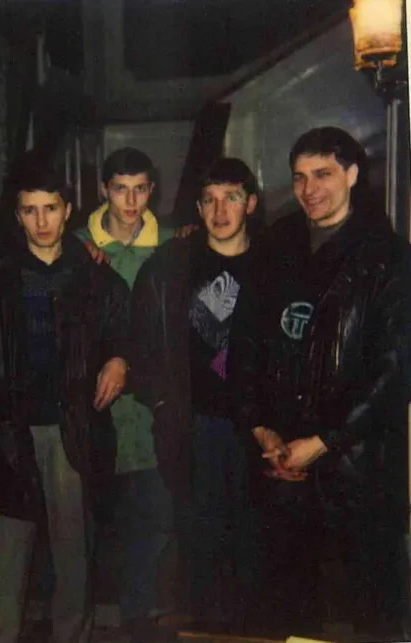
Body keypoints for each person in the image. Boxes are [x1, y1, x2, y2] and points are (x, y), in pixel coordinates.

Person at [234, 127, 411, 637]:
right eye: (299, 177)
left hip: (358, 467)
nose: (309, 189)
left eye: (323, 174)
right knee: (285, 611)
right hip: (281, 464)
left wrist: (324, 440)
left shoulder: (389, 257)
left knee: (372, 613)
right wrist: (260, 428)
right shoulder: (275, 246)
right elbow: (246, 343)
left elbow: (394, 371)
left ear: (352, 175)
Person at [0, 159, 131, 643]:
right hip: (8, 431)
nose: (41, 221)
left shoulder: (97, 279)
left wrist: (120, 359)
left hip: (72, 430)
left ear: (68, 210)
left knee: (74, 554)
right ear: (17, 216)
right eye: (30, 211)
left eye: (50, 209)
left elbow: (127, 331)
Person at [130, 157, 262, 634]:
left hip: (257, 426)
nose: (220, 211)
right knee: (199, 543)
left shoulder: (277, 263)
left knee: (253, 544)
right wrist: (162, 402)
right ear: (199, 208)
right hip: (193, 424)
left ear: (251, 203)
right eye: (209, 200)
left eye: (231, 198)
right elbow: (138, 341)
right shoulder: (170, 265)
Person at [74, 147, 175, 639]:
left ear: (151, 190)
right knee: (86, 523)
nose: (131, 201)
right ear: (104, 190)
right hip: (93, 408)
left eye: (140, 189)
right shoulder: (75, 245)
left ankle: (138, 615)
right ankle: (85, 615)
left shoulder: (172, 245)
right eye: (120, 189)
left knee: (152, 517)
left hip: (151, 410)